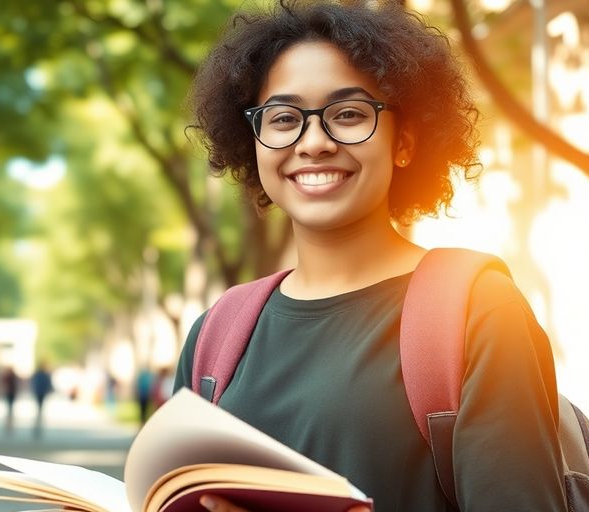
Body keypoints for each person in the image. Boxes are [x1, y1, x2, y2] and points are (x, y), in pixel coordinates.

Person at [174, 2, 567, 511]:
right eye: (284, 118)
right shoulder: (216, 334)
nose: (313, 142)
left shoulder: (477, 309)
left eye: (349, 114)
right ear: (254, 142)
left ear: (404, 140)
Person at [30, 362, 53, 439]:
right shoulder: (43, 375)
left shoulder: (39, 374)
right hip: (40, 392)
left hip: (39, 392)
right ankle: (39, 416)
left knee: (39, 406)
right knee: (40, 406)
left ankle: (39, 416)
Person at [0, 366, 19, 434]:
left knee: (9, 409)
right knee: (10, 409)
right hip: (10, 394)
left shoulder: (9, 376)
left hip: (9, 394)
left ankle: (8, 425)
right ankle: (9, 425)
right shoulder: (11, 376)